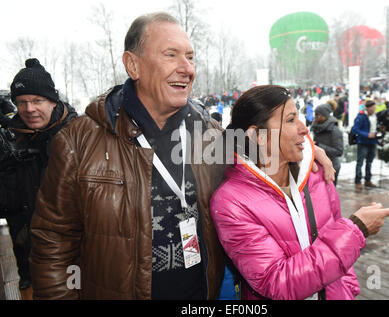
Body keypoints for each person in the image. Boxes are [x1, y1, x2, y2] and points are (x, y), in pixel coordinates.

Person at [27, 12, 340, 300]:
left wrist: (310, 153)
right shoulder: (80, 141)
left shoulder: (213, 137)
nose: (187, 68)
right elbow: (52, 243)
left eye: (190, 57)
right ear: (133, 65)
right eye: (171, 55)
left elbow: (265, 154)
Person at [210, 85, 389, 300]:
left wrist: (348, 291)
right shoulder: (231, 202)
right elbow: (275, 282)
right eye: (290, 120)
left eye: (299, 117)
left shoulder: (317, 174)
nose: (304, 128)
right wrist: (356, 230)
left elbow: (338, 238)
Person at [0, 58, 77, 290]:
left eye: (37, 100)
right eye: (22, 102)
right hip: (27, 258)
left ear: (53, 101)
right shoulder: (11, 139)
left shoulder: (78, 135)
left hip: (72, 257)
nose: (29, 109)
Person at [311, 104, 343, 186]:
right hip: (319, 166)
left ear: (324, 116)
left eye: (318, 115)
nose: (315, 117)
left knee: (330, 194)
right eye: (315, 114)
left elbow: (339, 151)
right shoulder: (315, 127)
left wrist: (319, 146)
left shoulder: (334, 131)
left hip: (332, 166)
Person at [352, 100, 378, 191]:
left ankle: (368, 180)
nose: (374, 109)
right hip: (363, 142)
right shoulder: (361, 116)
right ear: (367, 108)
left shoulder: (375, 116)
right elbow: (355, 129)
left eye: (375, 108)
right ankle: (358, 181)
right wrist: (366, 134)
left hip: (373, 142)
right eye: (372, 108)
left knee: (369, 162)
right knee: (360, 162)